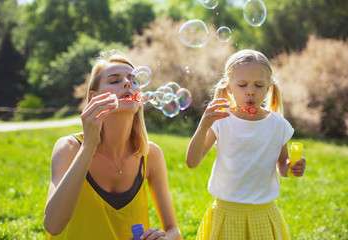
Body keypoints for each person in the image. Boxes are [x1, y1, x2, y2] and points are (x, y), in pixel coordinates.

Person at [44, 50, 182, 240]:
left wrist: (165, 239)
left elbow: (174, 230)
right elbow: (53, 225)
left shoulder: (151, 155)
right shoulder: (69, 148)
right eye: (115, 80)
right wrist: (88, 147)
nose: (127, 83)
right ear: (94, 97)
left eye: (133, 81)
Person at [185, 49, 306, 240]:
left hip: (263, 214)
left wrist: (292, 167)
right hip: (226, 213)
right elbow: (192, 162)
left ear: (268, 89)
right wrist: (203, 125)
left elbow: (282, 166)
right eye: (242, 85)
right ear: (229, 87)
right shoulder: (221, 120)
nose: (251, 91)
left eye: (258, 85)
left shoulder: (278, 125)